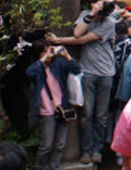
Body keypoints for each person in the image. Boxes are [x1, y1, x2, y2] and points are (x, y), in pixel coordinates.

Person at [46, 0, 116, 165]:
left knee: (101, 116)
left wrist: (58, 40)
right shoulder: (85, 16)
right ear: (92, 4)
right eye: (101, 3)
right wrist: (91, 15)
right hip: (88, 72)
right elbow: (77, 32)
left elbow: (81, 40)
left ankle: (96, 150)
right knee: (85, 114)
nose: (104, 6)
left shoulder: (109, 22)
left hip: (106, 72)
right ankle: (85, 150)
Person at [26, 41, 81, 170]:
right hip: (47, 111)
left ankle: (53, 167)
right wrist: (44, 59)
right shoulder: (37, 68)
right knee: (46, 145)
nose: (49, 54)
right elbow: (30, 73)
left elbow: (76, 69)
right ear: (38, 54)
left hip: (62, 108)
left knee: (60, 144)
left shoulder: (57, 64)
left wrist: (66, 56)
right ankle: (39, 167)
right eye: (44, 51)